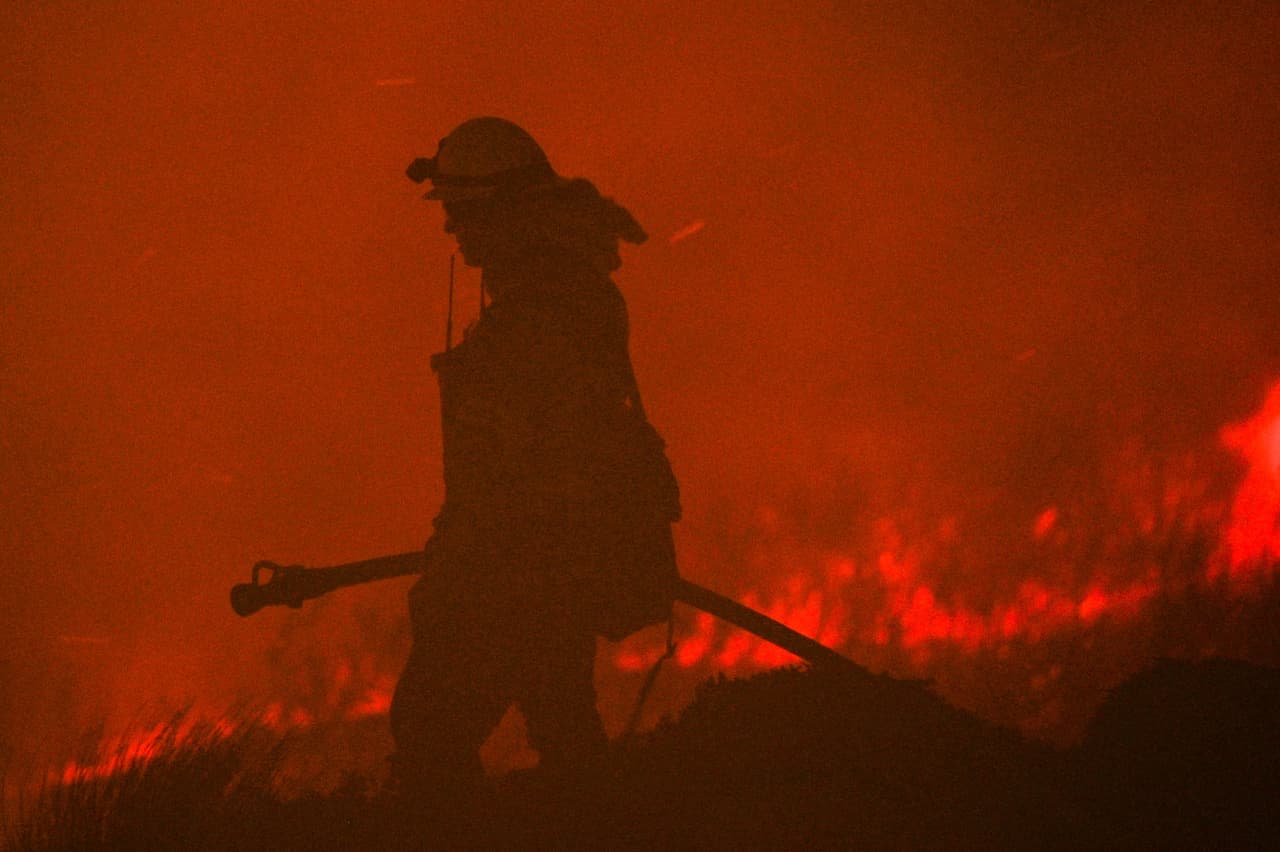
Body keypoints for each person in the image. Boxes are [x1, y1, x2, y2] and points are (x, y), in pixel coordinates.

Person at [390, 117, 680, 803]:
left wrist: (456, 575)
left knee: (428, 730)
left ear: (502, 209)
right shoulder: (564, 295)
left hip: (522, 570)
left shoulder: (542, 317)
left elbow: (513, 476)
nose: (451, 231)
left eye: (460, 212)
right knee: (567, 734)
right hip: (552, 566)